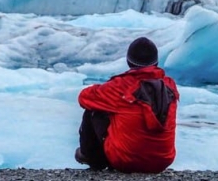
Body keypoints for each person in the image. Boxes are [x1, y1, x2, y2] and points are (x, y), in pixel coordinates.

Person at [75, 37, 179, 173]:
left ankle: (92, 158)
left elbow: (84, 98)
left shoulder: (120, 87)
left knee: (95, 109)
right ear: (156, 62)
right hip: (162, 161)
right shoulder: (169, 85)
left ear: (129, 61)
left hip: (125, 161)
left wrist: (106, 89)